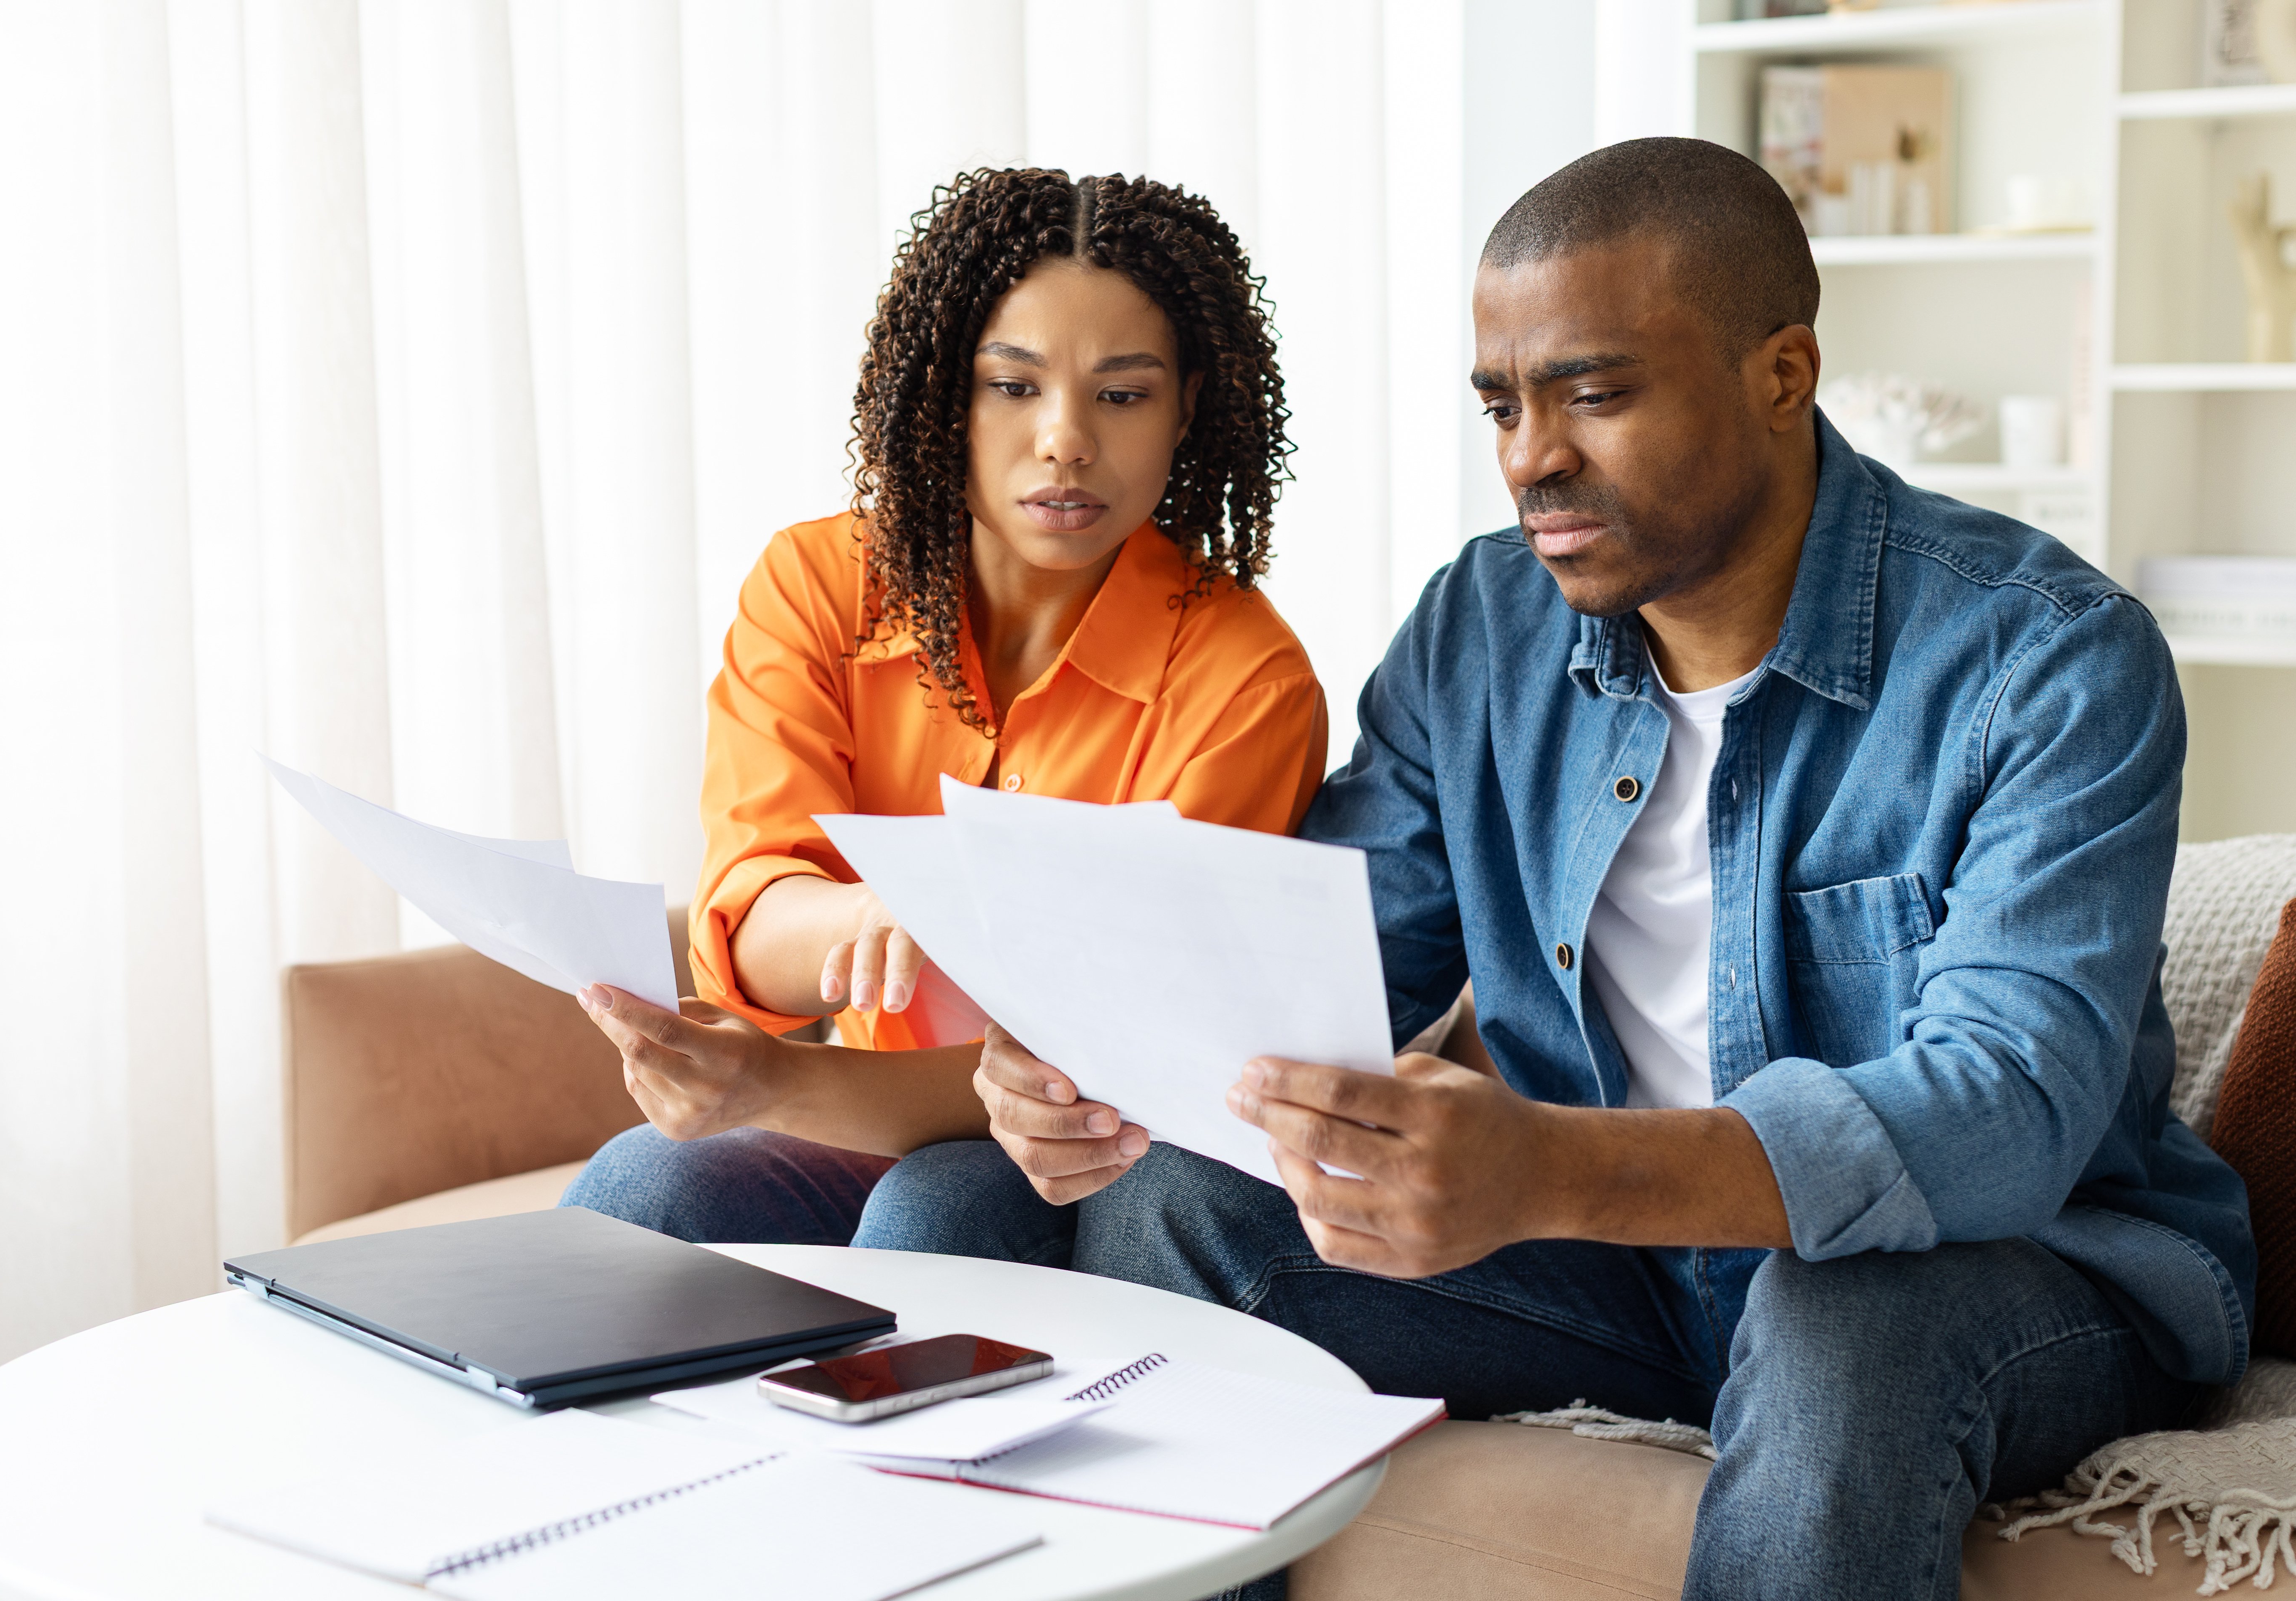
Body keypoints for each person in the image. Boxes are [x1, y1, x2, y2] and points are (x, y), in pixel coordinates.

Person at [851, 138, 2256, 1601]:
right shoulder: (1480, 631)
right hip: (1624, 1272)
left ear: (1784, 374)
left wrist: (1547, 1166)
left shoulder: (2045, 656)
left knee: (1840, 1327)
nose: (1533, 456)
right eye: (1503, 405)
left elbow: (2006, 1111)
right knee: (1171, 1208)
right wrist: (1093, 1068)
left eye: (1595, 393)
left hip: (2016, 1273)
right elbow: (1319, 978)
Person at [562, 168, 1328, 1247]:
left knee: (939, 1213)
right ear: (945, 397)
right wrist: (882, 915)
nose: (1064, 439)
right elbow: (747, 917)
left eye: (1121, 393)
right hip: (858, 1104)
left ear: (1185, 408)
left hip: (1092, 1156)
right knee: (642, 1187)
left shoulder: (1245, 682)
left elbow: (1103, 1063)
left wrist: (774, 1085)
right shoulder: (817, 584)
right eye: (1011, 386)